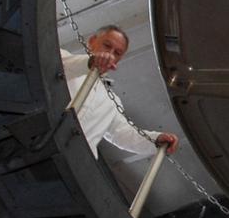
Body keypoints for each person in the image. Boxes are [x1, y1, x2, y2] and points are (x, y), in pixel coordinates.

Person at [61, 25, 180, 159]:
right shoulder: (63, 59)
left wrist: (156, 139)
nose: (110, 54)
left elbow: (122, 135)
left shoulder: (112, 102)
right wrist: (90, 62)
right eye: (107, 45)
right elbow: (55, 70)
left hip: (74, 161)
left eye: (117, 53)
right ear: (92, 41)